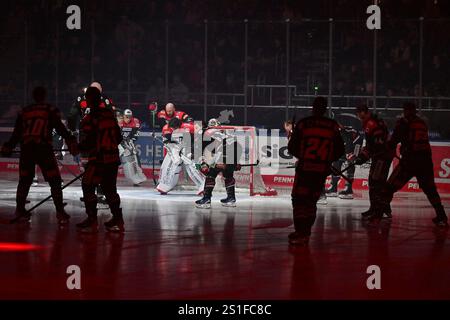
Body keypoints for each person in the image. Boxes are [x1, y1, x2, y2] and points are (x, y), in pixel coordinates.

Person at [1, 87, 77, 224]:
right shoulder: (49, 110)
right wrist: (71, 141)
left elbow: (17, 133)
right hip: (43, 149)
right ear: (44, 96)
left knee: (24, 180)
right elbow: (60, 128)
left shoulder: (25, 111)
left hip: (27, 150)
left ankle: (20, 209)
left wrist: (9, 146)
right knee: (54, 180)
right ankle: (60, 212)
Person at [370, 102, 448, 227]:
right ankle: (442, 215)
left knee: (389, 187)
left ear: (405, 110)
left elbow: (394, 140)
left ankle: (377, 216)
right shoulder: (421, 123)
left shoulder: (403, 122)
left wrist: (385, 147)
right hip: (425, 161)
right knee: (430, 190)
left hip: (409, 161)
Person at [287, 97, 345, 245]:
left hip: (305, 169)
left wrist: (304, 157)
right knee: (312, 202)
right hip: (320, 171)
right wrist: (326, 161)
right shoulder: (332, 126)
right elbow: (340, 150)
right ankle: (306, 233)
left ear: (312, 108)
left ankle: (300, 232)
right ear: (326, 109)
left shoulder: (303, 124)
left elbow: (292, 148)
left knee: (299, 200)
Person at [76, 87, 124, 233]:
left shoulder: (91, 117)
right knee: (110, 189)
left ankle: (92, 220)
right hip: (113, 158)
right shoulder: (109, 114)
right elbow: (118, 137)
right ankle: (118, 218)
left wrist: (78, 147)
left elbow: (88, 141)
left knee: (87, 185)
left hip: (99, 159)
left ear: (89, 99)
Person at [67, 81, 115, 204]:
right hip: (100, 137)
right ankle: (98, 193)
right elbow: (112, 117)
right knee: (98, 166)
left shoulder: (83, 103)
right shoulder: (104, 101)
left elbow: (72, 116)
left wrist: (72, 131)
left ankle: (91, 194)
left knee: (88, 166)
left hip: (88, 135)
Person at [355, 105, 393, 218]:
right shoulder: (375, 121)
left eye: (359, 114)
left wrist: (364, 156)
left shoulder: (371, 124)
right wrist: (364, 155)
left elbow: (377, 145)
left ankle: (376, 210)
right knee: (378, 182)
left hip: (382, 156)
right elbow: (373, 144)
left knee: (375, 182)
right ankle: (383, 209)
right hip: (383, 155)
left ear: (365, 112)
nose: (358, 117)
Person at [195, 118, 242, 209]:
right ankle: (231, 199)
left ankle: (206, 199)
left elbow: (200, 150)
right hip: (234, 151)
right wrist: (236, 162)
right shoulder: (226, 131)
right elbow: (236, 146)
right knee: (228, 175)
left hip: (222, 153)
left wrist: (202, 164)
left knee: (210, 174)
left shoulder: (205, 131)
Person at [156, 117, 205, 195]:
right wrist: (175, 153)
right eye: (173, 128)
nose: (174, 129)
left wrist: (193, 149)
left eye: (176, 128)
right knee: (170, 164)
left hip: (187, 147)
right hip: (174, 148)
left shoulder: (190, 128)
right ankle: (165, 184)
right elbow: (167, 143)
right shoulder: (166, 129)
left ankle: (203, 184)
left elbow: (198, 138)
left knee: (191, 165)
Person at [326, 125, 362, 199]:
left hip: (353, 146)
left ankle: (348, 189)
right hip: (343, 147)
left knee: (350, 164)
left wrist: (352, 155)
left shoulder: (354, 134)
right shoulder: (335, 134)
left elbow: (356, 144)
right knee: (336, 163)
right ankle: (333, 187)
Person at [118, 109, 147, 185]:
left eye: (130, 117)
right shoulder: (119, 122)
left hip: (127, 142)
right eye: (126, 117)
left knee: (134, 156)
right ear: (123, 116)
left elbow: (136, 133)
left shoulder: (135, 122)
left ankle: (137, 176)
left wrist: (132, 139)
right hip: (117, 143)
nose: (128, 118)